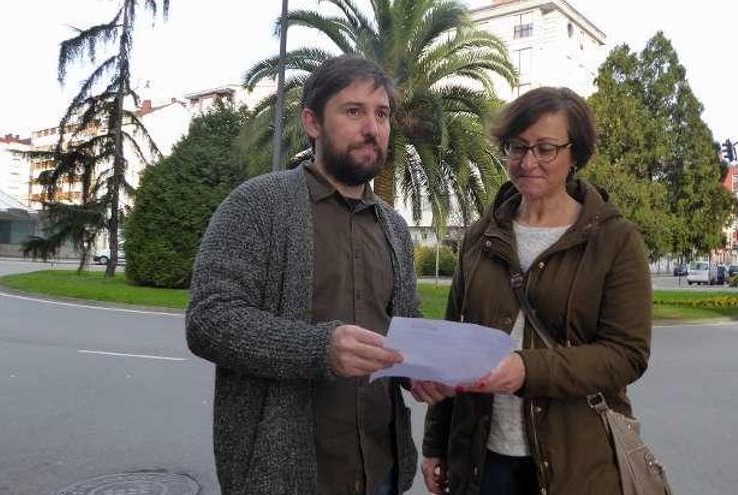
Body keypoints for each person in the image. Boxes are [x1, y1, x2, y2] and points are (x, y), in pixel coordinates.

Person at [186, 55, 421, 495]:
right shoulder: (258, 204)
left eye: (382, 113)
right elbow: (208, 320)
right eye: (354, 111)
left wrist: (418, 369)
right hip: (284, 475)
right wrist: (319, 348)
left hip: (381, 470)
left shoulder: (394, 228)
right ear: (312, 123)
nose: (373, 128)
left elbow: (402, 327)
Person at [421, 87, 652, 495]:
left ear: (574, 154)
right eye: (517, 147)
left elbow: (627, 354)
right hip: (480, 459)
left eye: (546, 149)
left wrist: (527, 370)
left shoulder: (614, 240)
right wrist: (435, 445)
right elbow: (452, 342)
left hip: (577, 463)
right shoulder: (480, 236)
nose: (528, 162)